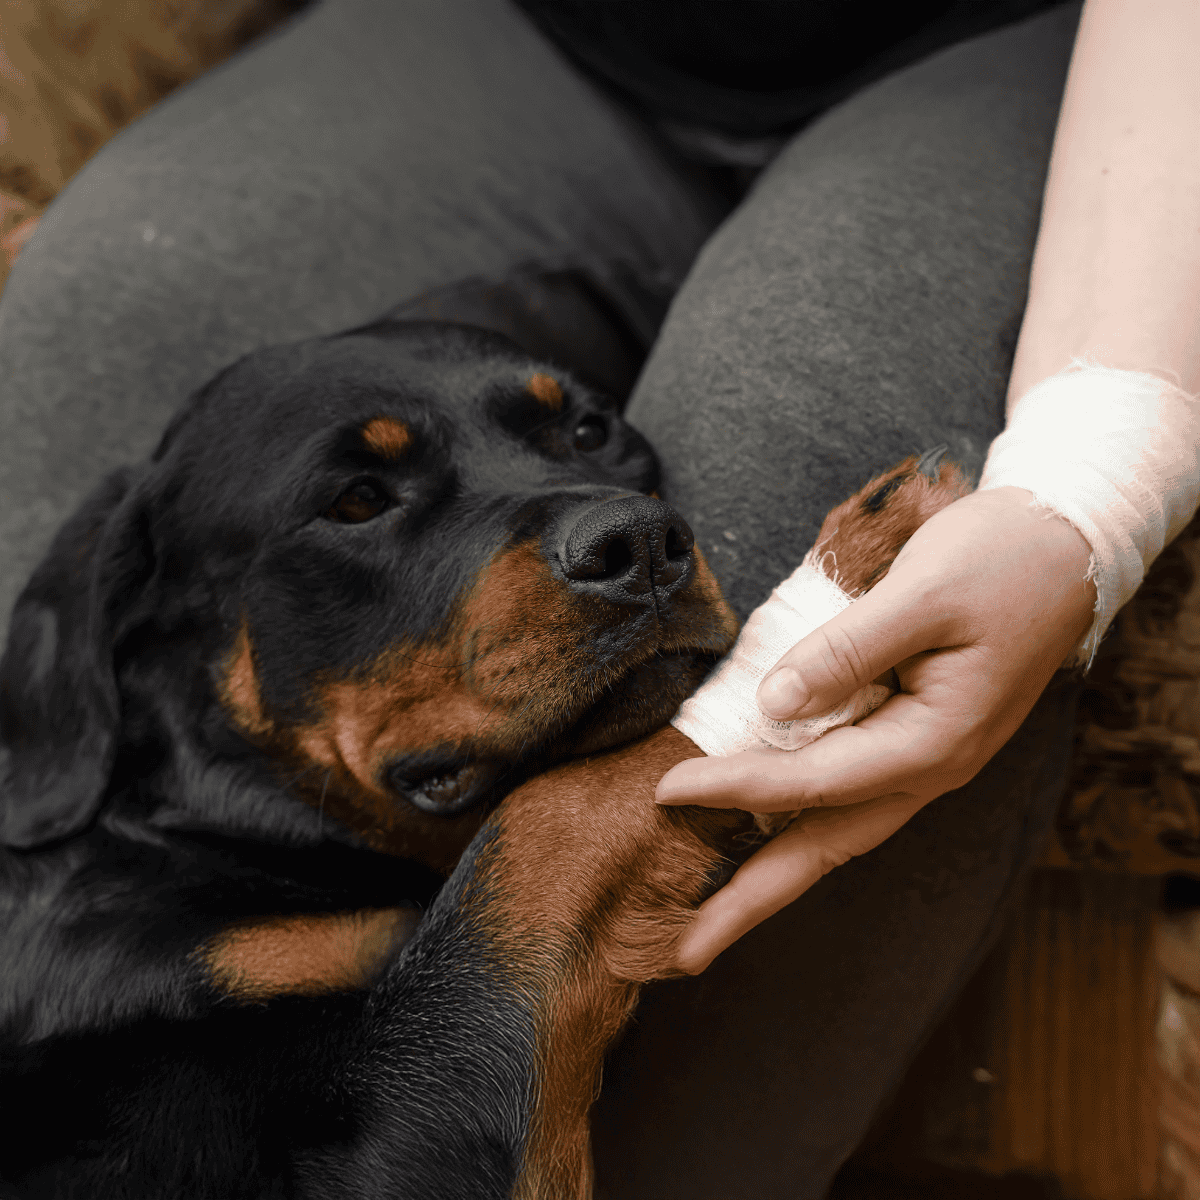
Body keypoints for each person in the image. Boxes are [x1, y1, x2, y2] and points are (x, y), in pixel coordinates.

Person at [0, 1, 1195, 1196]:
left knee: (797, 460)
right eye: (362, 503)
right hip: (551, 31)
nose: (601, 522)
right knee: (102, 317)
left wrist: (1091, 487)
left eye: (582, 437)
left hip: (1050, 40)